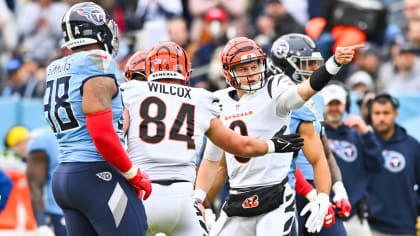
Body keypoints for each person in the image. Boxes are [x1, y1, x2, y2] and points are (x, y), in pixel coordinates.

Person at [121, 41, 304, 236]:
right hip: (183, 198)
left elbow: (111, 140)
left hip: (143, 193)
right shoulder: (199, 98)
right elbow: (238, 145)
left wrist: (129, 173)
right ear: (185, 70)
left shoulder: (130, 92)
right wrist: (272, 145)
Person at [195, 36, 362, 236]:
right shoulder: (219, 101)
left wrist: (333, 64)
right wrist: (198, 199)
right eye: (243, 69)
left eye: (254, 66)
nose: (251, 74)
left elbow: (306, 89)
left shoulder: (275, 88)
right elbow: (213, 161)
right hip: (238, 196)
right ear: (228, 72)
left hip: (275, 195)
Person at [44, 2, 151, 235]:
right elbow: (101, 134)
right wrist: (133, 173)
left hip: (65, 176)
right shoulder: (97, 61)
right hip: (95, 173)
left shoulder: (56, 67)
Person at [269, 33, 351, 235]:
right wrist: (311, 194)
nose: (315, 69)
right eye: (307, 64)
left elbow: (325, 152)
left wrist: (338, 189)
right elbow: (282, 158)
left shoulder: (318, 98)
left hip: (317, 182)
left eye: (316, 63)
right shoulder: (272, 101)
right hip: (284, 186)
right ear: (286, 65)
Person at [321, 83, 383, 236]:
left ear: (346, 105)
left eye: (338, 103)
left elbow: (377, 165)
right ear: (322, 106)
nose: (334, 108)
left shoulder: (357, 135)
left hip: (355, 216)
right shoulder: (315, 135)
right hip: (326, 215)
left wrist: (367, 133)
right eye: (330, 104)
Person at [367, 93, 420, 236]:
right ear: (371, 115)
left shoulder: (412, 146)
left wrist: (416, 206)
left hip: (404, 227)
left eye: (386, 113)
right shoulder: (365, 143)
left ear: (395, 114)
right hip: (370, 226)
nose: (381, 118)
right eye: (377, 113)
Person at [26, 129, 66, 236]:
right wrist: (41, 222)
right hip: (59, 214)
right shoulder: (44, 140)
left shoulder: (100, 130)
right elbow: (34, 184)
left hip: (97, 212)